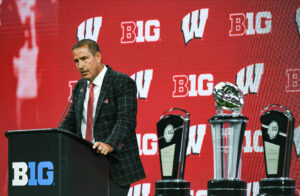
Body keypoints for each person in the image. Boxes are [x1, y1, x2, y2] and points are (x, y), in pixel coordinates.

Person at [60, 39, 145, 196]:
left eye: (84, 59)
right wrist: (55, 141)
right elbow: (70, 123)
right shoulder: (79, 86)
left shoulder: (121, 82)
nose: (80, 66)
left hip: (114, 165)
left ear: (97, 56)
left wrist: (109, 144)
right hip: (85, 165)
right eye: (76, 61)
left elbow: (126, 121)